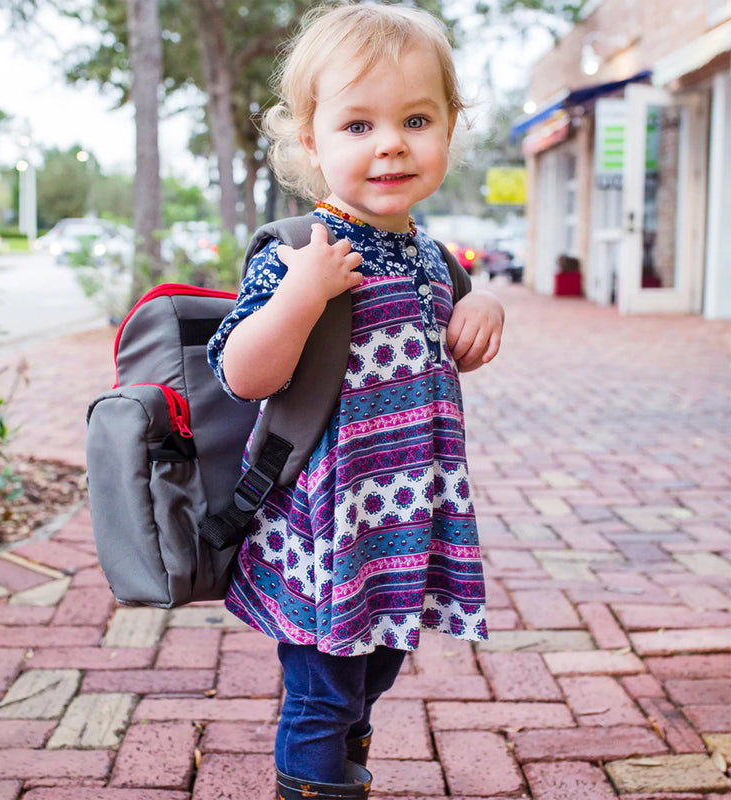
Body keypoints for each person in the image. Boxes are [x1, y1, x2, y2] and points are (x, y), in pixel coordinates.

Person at [207, 4, 505, 798]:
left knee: (376, 669)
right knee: (322, 693)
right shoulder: (301, 251)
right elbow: (244, 373)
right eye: (358, 124)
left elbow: (442, 349)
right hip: (328, 527)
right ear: (311, 140)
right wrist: (300, 298)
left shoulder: (435, 259)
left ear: (450, 126)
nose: (391, 143)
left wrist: (479, 309)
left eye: (415, 118)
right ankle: (319, 779)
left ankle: (345, 763)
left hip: (405, 518)